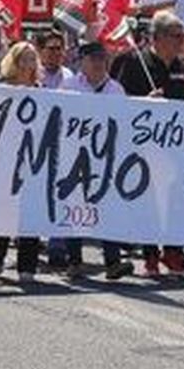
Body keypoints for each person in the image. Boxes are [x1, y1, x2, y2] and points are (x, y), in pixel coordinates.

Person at [111, 10, 184, 277]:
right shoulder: (133, 60)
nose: (182, 40)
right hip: (143, 145)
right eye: (176, 36)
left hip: (177, 145)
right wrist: (145, 101)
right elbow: (116, 100)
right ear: (157, 38)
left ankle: (173, 251)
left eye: (183, 35)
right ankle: (149, 255)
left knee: (178, 198)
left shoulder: (183, 66)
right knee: (148, 199)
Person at [46, 41, 134, 280]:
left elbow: (126, 120)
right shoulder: (69, 86)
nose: (98, 63)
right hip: (74, 156)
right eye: (93, 59)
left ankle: (113, 261)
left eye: (102, 58)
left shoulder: (115, 89)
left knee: (107, 208)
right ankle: (75, 261)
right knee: (76, 208)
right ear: (81, 61)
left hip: (106, 157)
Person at [0, 41, 44, 282]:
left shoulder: (42, 90)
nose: (29, 63)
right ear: (14, 61)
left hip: (34, 158)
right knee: (6, 209)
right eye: (24, 58)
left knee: (30, 211)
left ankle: (27, 266)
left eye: (32, 58)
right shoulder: (3, 89)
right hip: (6, 157)